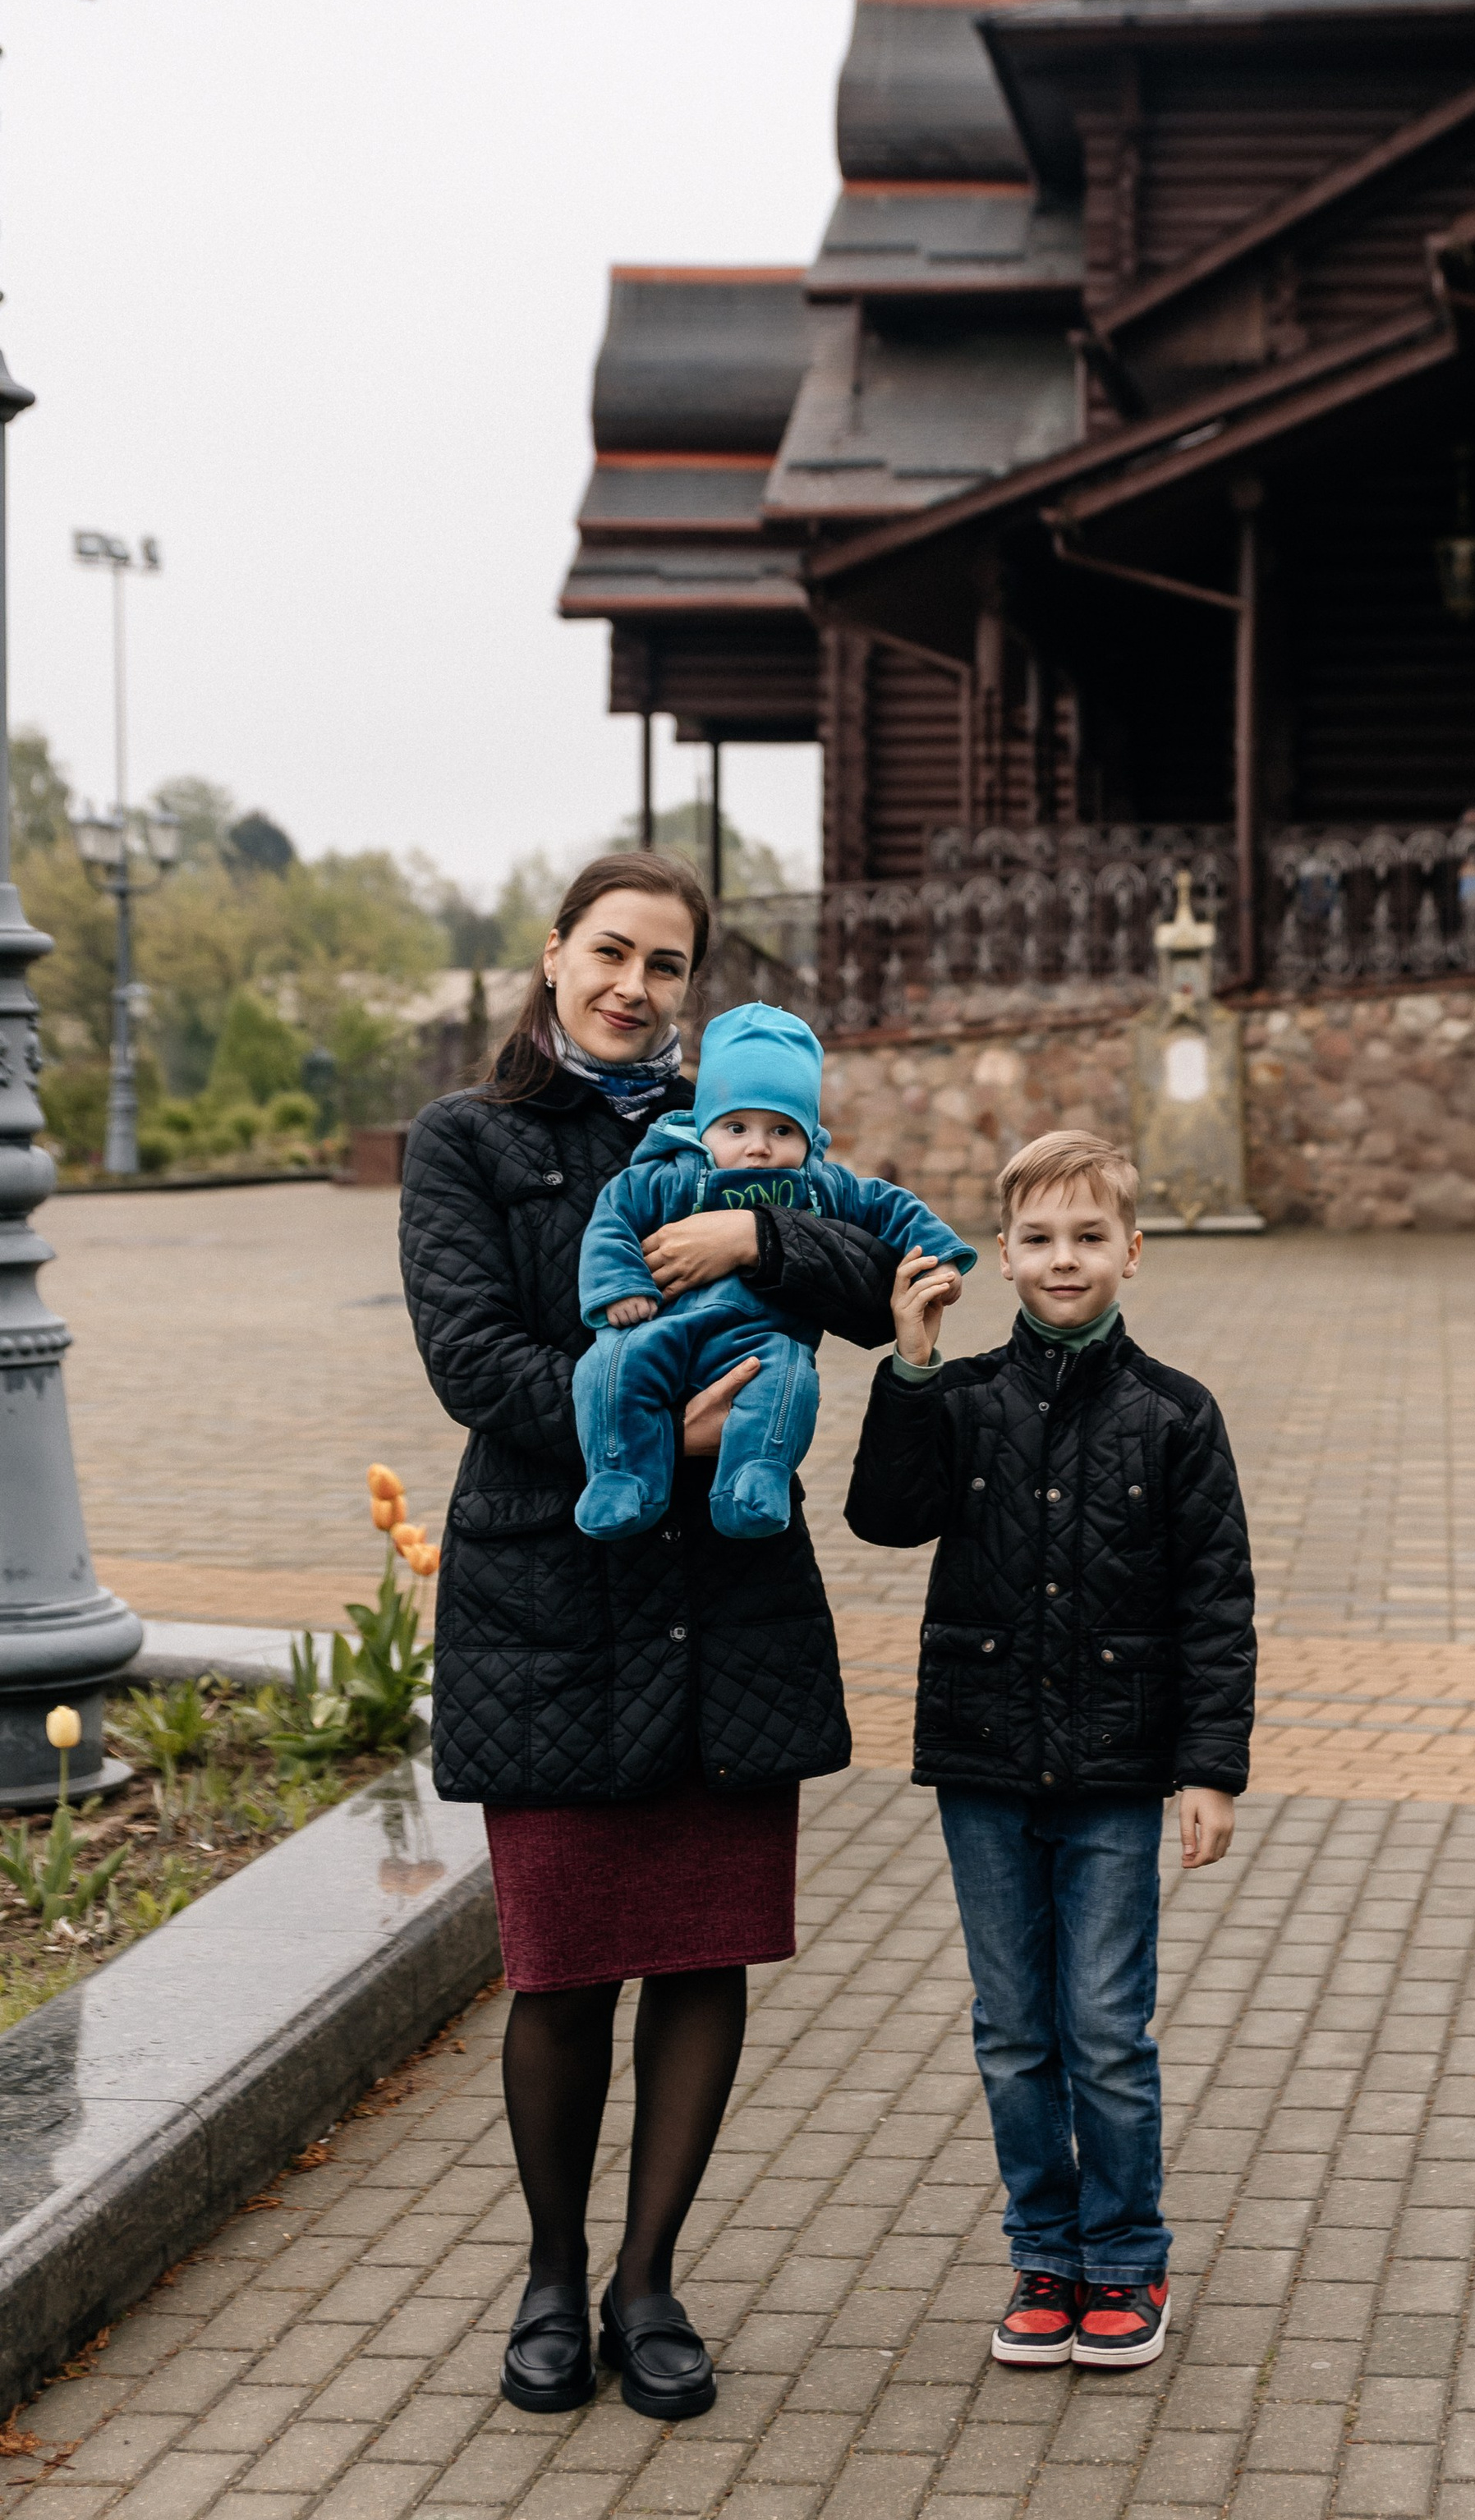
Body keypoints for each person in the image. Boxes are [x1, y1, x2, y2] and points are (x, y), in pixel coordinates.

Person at [399, 851, 904, 2426]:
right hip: (549, 1592)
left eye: (667, 966)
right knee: (560, 1970)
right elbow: (471, 1354)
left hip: (725, 1601)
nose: (634, 987)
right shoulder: (465, 1141)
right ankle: (554, 2277)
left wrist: (761, 1246)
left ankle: (649, 2279)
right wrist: (633, 1420)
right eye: (609, 954)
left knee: (701, 1951)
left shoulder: (762, 1140)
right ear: (550, 959)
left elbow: (888, 1284)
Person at [844, 1127, 1257, 2373]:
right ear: (1002, 1255)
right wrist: (907, 1367)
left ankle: (1126, 2258)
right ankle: (1045, 2251)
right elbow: (883, 1516)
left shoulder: (1178, 1414)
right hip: (982, 1763)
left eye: (1089, 1237)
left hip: (1121, 1774)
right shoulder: (962, 1398)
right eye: (1037, 1238)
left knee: (1106, 2030)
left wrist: (1210, 1768)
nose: (1063, 1259)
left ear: (1131, 1252)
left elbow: (1216, 1604)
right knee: (1015, 2027)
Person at [572, 998, 974, 1541]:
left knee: (790, 1382)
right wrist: (619, 1285)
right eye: (736, 1127)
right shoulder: (667, 1175)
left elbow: (890, 1207)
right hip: (659, 1328)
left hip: (760, 1340)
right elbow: (612, 1219)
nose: (758, 1148)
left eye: (782, 1131)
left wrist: (938, 1255)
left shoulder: (820, 1184)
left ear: (808, 1135)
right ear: (703, 1127)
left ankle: (754, 1480)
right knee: (609, 1367)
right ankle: (621, 1477)